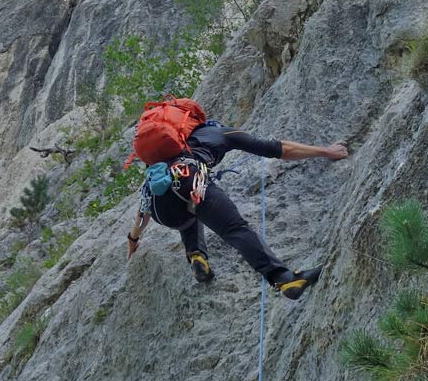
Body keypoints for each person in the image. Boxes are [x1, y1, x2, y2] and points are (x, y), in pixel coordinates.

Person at [126, 120, 348, 297]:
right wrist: (326, 151)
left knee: (190, 209)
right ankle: (283, 278)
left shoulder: (162, 159)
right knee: (234, 229)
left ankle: (196, 254)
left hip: (161, 211)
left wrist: (133, 240)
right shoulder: (219, 133)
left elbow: (144, 206)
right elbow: (278, 148)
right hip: (191, 181)